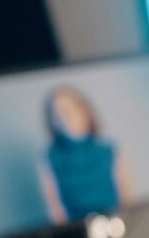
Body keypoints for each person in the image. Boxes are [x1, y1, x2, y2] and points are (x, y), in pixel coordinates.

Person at [38, 87, 132, 223]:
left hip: (114, 222)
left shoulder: (109, 149)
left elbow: (126, 197)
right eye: (57, 113)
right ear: (52, 121)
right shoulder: (51, 157)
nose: (65, 117)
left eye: (68, 110)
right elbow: (56, 210)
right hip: (76, 228)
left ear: (83, 110)